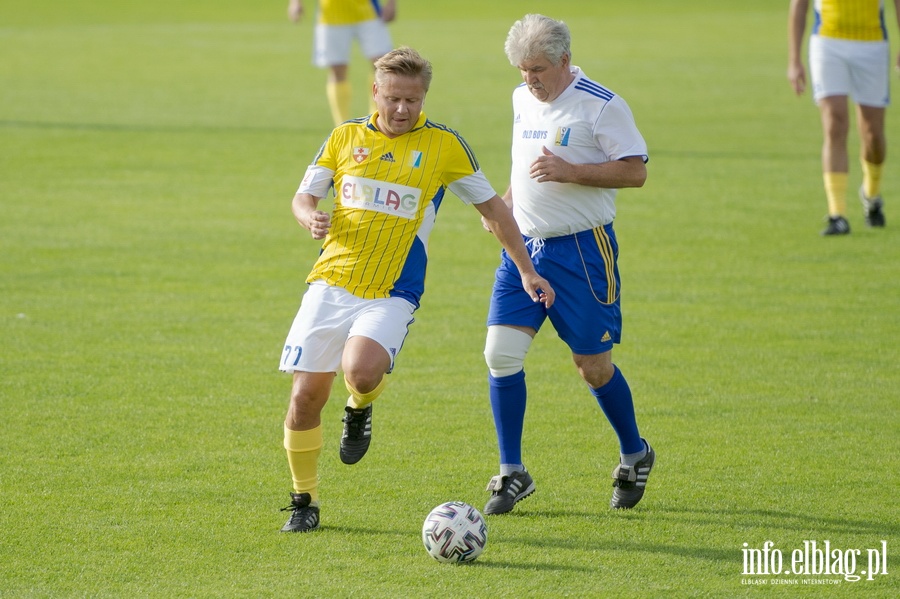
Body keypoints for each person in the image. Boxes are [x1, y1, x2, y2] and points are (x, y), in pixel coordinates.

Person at [277, 47, 556, 533]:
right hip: (330, 282)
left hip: (392, 288)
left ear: (424, 96)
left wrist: (527, 270)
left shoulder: (445, 146)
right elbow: (304, 195)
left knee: (361, 373)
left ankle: (359, 409)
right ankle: (304, 501)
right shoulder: (344, 138)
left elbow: (493, 209)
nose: (403, 109)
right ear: (375, 93)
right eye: (394, 98)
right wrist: (308, 215)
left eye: (413, 99)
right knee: (304, 398)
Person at [481, 14, 653, 515]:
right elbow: (523, 165)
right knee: (501, 353)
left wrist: (571, 171)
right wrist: (506, 206)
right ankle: (512, 472)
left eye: (536, 68)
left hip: (582, 252)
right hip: (523, 250)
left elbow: (636, 172)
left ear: (563, 60)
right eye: (520, 69)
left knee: (593, 367)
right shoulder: (520, 99)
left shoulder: (602, 105)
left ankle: (635, 453)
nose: (528, 79)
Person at [788, 0, 900, 235]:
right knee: (834, 123)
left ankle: (871, 194)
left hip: (871, 44)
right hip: (828, 41)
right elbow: (799, 5)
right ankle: (837, 215)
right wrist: (794, 60)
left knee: (873, 135)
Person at [288, 0, 397, 126]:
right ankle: (342, 126)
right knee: (337, 70)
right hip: (331, 13)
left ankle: (376, 119)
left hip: (368, 10)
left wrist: (391, 3)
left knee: (383, 66)